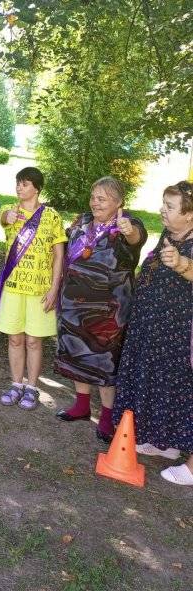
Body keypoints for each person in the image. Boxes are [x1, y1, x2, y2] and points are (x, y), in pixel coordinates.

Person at [54, 176, 147, 443]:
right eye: (94, 196)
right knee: (75, 353)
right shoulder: (82, 221)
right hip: (73, 304)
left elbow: (135, 239)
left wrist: (128, 230)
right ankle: (81, 405)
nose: (95, 202)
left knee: (105, 363)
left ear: (119, 203)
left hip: (109, 310)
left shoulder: (128, 225)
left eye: (102, 198)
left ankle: (107, 416)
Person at [114, 181, 193, 486]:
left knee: (171, 382)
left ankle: (170, 443)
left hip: (174, 331)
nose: (162, 209)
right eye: (164, 203)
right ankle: (160, 441)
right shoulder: (169, 234)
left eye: (170, 206)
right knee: (152, 378)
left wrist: (183, 264)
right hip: (151, 324)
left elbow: (188, 269)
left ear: (189, 215)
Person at [0, 167, 65, 409]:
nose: (19, 188)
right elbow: (3, 221)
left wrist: (55, 288)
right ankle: (16, 384)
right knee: (14, 339)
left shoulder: (52, 216)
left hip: (39, 290)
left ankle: (32, 387)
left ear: (37, 187)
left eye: (24, 183)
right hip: (13, 287)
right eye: (18, 183)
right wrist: (7, 219)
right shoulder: (10, 211)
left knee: (34, 341)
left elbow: (58, 255)